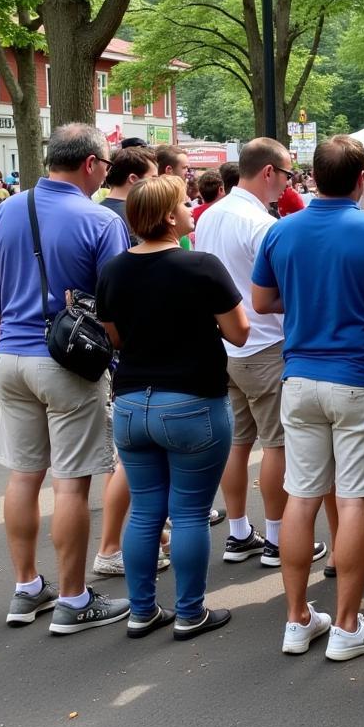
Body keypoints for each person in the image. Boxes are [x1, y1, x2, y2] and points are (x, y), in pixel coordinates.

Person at [252, 135, 364, 660]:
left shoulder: (282, 231)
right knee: (355, 498)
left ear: (311, 176)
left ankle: (298, 619)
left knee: (302, 498)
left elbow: (261, 299)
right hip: (360, 377)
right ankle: (346, 626)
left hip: (299, 377)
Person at [0, 123, 132, 633]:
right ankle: (74, 599)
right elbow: (116, 298)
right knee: (70, 484)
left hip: (9, 355)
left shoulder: (6, 208)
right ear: (92, 164)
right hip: (67, 360)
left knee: (24, 476)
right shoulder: (97, 219)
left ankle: (27, 588)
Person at [96, 175, 249, 640]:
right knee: (187, 513)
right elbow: (240, 333)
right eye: (184, 203)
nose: (190, 208)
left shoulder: (114, 271)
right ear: (168, 216)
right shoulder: (201, 266)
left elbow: (115, 336)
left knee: (144, 512)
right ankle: (190, 612)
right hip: (191, 402)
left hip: (131, 403)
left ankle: (141, 611)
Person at [195, 138, 326, 570]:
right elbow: (283, 291)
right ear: (269, 172)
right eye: (287, 174)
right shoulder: (261, 224)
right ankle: (274, 537)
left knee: (238, 443)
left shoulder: (211, 215)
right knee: (277, 445)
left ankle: (238, 532)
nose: (288, 183)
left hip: (224, 343)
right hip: (265, 343)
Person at [93, 144, 163, 576]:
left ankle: (125, 544)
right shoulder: (110, 222)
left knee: (132, 462)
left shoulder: (99, 211)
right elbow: (113, 301)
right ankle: (111, 547)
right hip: (130, 362)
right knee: (128, 465)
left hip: (118, 357)